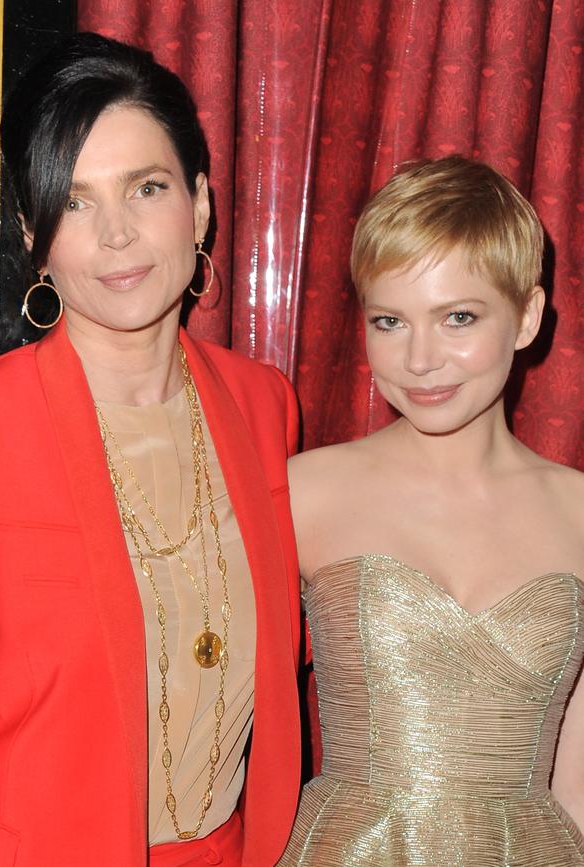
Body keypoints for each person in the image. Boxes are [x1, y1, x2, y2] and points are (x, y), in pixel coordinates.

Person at [0, 33, 302, 867]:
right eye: (74, 200)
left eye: (147, 187)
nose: (116, 235)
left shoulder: (263, 404)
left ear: (200, 203)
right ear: (34, 232)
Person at [280, 156, 584, 865]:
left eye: (458, 317)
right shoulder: (302, 492)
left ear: (527, 316)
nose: (419, 358)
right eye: (390, 319)